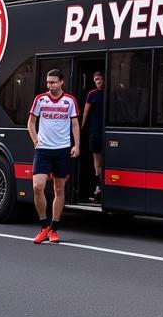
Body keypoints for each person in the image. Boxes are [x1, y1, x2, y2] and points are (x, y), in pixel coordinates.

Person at [28, 69, 80, 244]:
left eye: (53, 82)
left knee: (59, 189)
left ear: (61, 82)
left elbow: (74, 124)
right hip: (43, 151)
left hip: (62, 150)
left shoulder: (70, 101)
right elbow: (31, 122)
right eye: (48, 82)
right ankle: (44, 227)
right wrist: (35, 140)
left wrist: (77, 145)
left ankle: (54, 229)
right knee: (37, 186)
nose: (50, 85)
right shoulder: (40, 100)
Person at [80, 70, 105, 201]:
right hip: (95, 131)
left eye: (100, 78)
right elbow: (86, 111)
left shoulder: (109, 93)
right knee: (97, 161)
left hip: (106, 131)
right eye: (96, 79)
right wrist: (82, 126)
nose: (99, 81)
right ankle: (98, 187)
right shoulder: (92, 94)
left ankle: (101, 187)